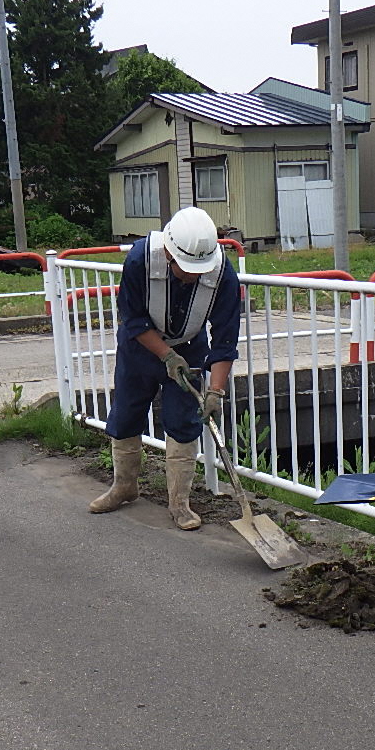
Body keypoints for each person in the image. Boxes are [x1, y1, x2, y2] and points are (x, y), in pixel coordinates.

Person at [88, 206, 242, 530]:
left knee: (183, 421)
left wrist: (216, 390)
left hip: (191, 347)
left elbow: (225, 340)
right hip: (141, 347)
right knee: (127, 413)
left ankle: (179, 503)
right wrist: (166, 356)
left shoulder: (222, 275)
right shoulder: (139, 261)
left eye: (198, 269)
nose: (192, 275)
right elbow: (133, 319)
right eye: (185, 268)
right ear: (168, 253)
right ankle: (124, 486)